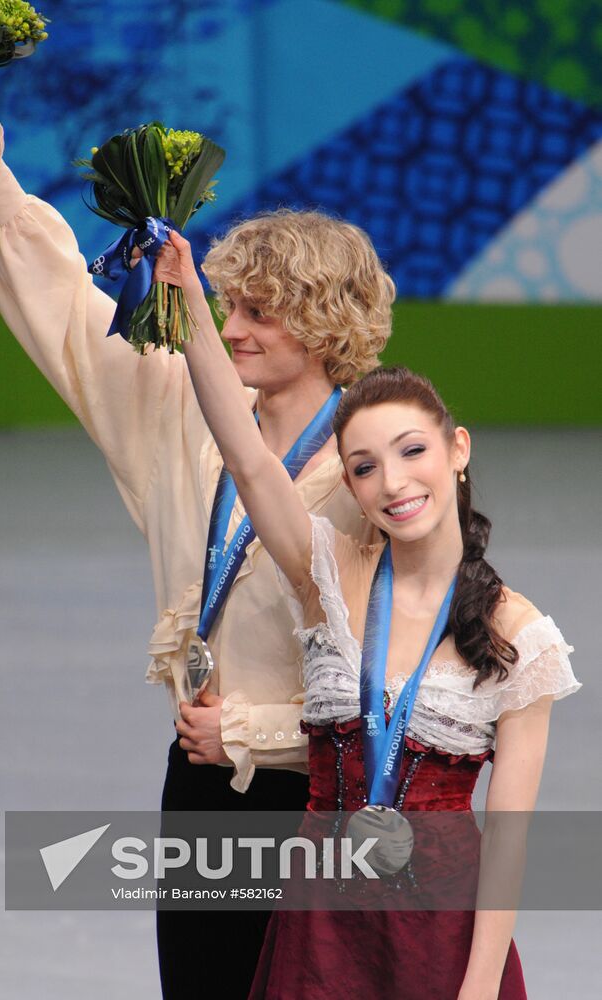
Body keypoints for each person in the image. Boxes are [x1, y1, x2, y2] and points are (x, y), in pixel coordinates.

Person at [0, 67, 395, 997]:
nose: (232, 326)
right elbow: (69, 316)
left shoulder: (376, 460)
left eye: (259, 311)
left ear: (325, 322)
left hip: (322, 794)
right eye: (229, 305)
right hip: (202, 778)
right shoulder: (182, 409)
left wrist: (252, 729)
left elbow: (395, 672)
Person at [168, 228, 581, 999]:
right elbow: (250, 457)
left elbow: (509, 846)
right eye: (364, 466)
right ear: (348, 488)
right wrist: (187, 293)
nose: (393, 482)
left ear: (456, 450)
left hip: (442, 936)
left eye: (411, 451)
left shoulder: (520, 637)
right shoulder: (325, 577)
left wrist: (478, 987)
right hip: (318, 927)